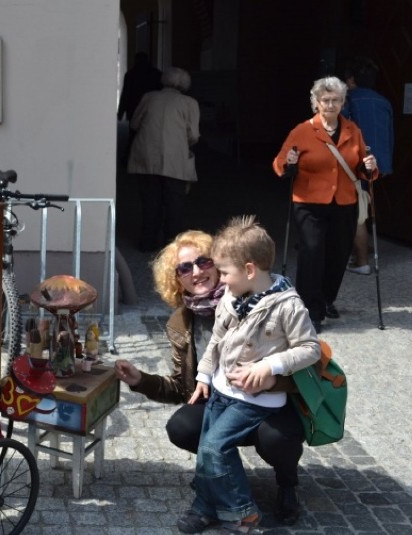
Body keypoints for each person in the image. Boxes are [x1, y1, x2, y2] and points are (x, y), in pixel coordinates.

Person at [115, 229, 306, 526]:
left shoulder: (255, 300)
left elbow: (305, 362)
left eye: (204, 262)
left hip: (268, 404)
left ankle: (286, 485)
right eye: (184, 267)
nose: (196, 272)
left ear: (220, 264)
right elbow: (182, 387)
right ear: (176, 279)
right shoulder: (181, 321)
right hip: (220, 396)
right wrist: (140, 379)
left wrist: (271, 377)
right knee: (186, 428)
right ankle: (212, 497)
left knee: (275, 438)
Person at [174, 216, 321, 534]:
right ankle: (204, 506)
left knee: (214, 448)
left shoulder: (287, 306)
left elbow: (310, 349)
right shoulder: (230, 297)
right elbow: (216, 338)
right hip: (221, 392)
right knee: (206, 447)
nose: (221, 280)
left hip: (256, 401)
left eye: (225, 272)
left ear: (250, 270)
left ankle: (242, 514)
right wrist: (203, 374)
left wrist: (270, 366)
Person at [272, 76, 378, 332]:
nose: (331, 104)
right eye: (326, 100)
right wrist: (290, 161)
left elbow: (363, 166)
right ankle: (310, 312)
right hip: (309, 202)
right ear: (316, 103)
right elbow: (279, 164)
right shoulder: (302, 131)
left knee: (338, 255)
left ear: (343, 102)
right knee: (312, 253)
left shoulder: (353, 130)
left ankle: (326, 299)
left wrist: (369, 168)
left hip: (344, 201)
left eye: (336, 100)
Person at [127, 67, 200, 252]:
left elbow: (134, 123)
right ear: (185, 84)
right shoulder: (189, 103)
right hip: (175, 160)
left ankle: (147, 242)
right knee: (175, 203)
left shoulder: (149, 97)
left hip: (146, 156)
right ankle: (172, 247)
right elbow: (194, 135)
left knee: (150, 201)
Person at [342, 57, 394, 275]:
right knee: (365, 204)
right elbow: (390, 133)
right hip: (378, 161)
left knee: (357, 213)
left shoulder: (348, 101)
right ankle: (361, 251)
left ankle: (362, 261)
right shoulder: (384, 101)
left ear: (351, 79)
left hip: (355, 163)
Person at [117, 51, 162, 123]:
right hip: (151, 107)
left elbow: (125, 94)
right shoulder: (157, 74)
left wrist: (120, 114)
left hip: (133, 108)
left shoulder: (130, 74)